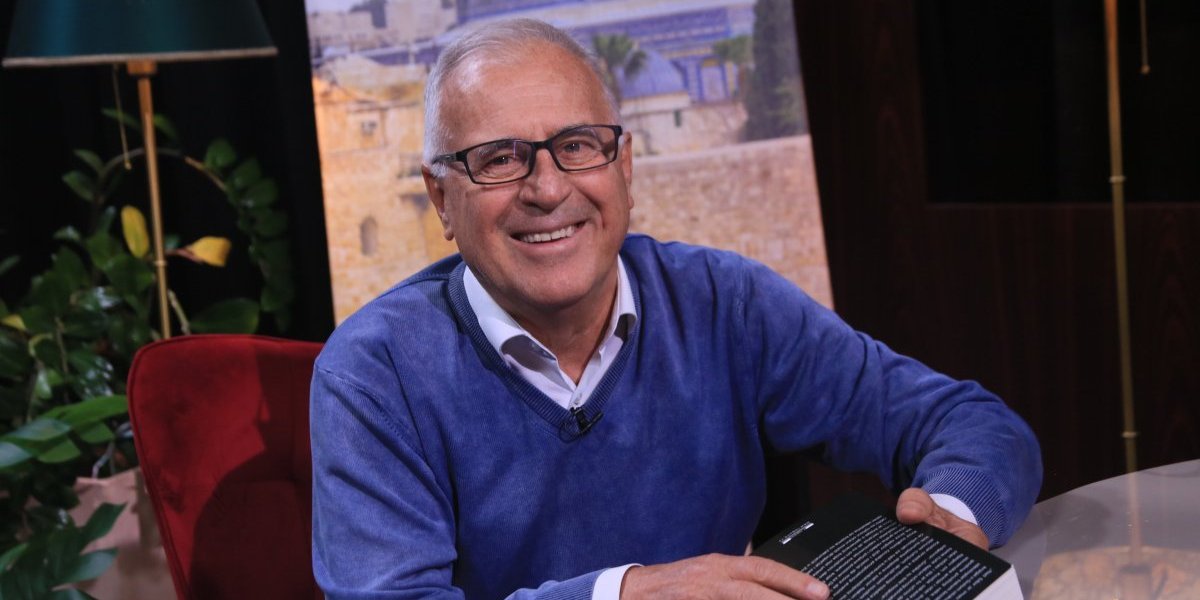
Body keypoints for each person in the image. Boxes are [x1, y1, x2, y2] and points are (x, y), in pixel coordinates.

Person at [310, 18, 1041, 600]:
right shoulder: (375, 372)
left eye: (577, 146)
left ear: (624, 168)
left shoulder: (725, 304)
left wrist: (951, 519)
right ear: (441, 198)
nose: (548, 188)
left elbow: (974, 424)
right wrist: (624, 594)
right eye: (499, 159)